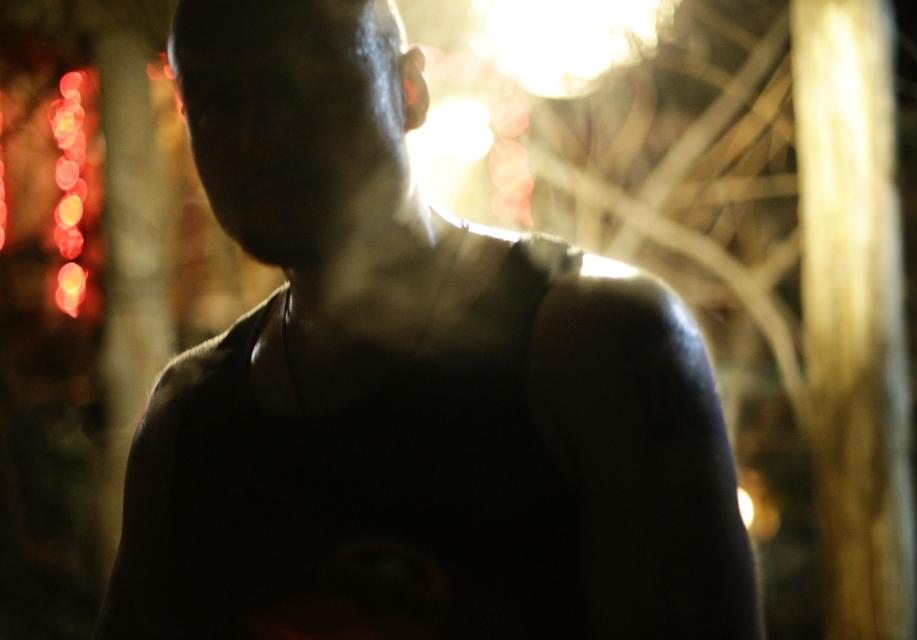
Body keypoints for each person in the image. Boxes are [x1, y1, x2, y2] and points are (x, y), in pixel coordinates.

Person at [94, 0, 762, 637]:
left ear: (408, 91)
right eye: (215, 104)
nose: (257, 139)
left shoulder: (599, 343)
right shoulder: (189, 419)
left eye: (301, 86)